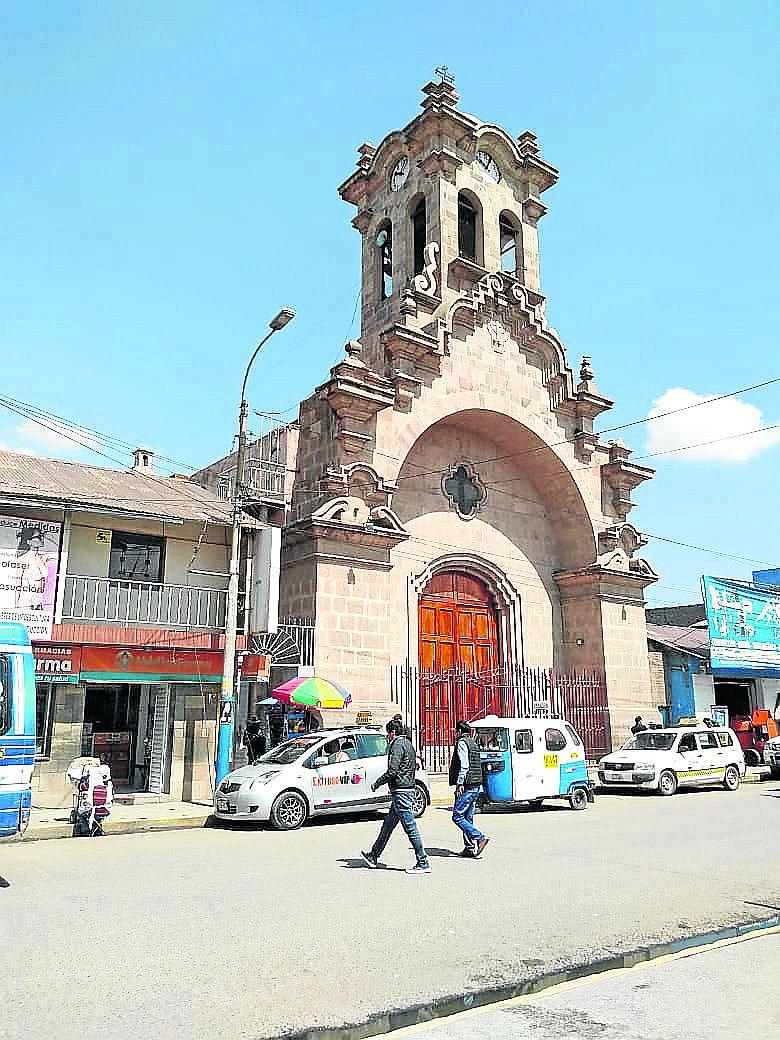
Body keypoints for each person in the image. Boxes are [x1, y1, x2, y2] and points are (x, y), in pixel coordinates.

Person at [361, 719, 430, 875]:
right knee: (387, 826)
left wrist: (377, 783)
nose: (387, 737)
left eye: (388, 734)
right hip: (404, 790)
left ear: (392, 733)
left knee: (410, 827)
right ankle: (373, 855)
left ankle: (423, 861)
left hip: (402, 792)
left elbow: (393, 770)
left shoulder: (397, 745)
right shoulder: (408, 744)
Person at [449, 720, 489, 859]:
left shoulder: (462, 743)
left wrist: (459, 783)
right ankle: (469, 847)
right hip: (476, 784)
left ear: (459, 732)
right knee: (468, 817)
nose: (454, 733)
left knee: (457, 816)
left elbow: (465, 765)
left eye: (455, 731)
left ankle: (480, 838)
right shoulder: (473, 742)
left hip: (467, 785)